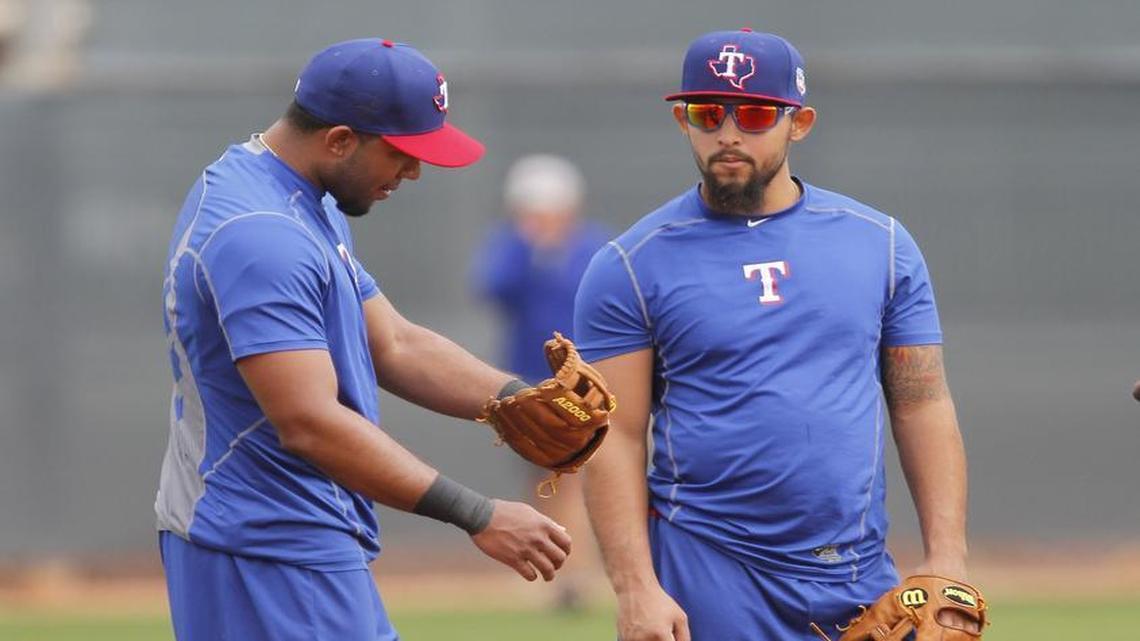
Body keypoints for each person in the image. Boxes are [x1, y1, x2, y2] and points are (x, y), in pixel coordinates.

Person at [156, 39, 572, 641]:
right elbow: (309, 422)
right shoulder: (263, 234)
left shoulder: (294, 194)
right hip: (260, 544)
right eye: (402, 153)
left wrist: (518, 398)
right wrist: (478, 514)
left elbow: (394, 342)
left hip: (285, 534)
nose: (414, 171)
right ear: (340, 140)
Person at [573, 29, 975, 640]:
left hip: (857, 569)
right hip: (708, 566)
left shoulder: (881, 244)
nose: (729, 133)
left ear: (800, 123)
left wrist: (947, 557)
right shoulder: (629, 264)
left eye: (756, 114)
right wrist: (635, 588)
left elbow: (922, 402)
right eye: (708, 113)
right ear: (683, 121)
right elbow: (615, 437)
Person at [470, 154, 610, 607]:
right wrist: (531, 249)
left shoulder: (591, 247)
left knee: (577, 475)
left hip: (581, 382)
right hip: (527, 380)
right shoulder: (513, 246)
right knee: (541, 474)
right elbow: (492, 287)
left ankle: (578, 572)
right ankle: (551, 570)